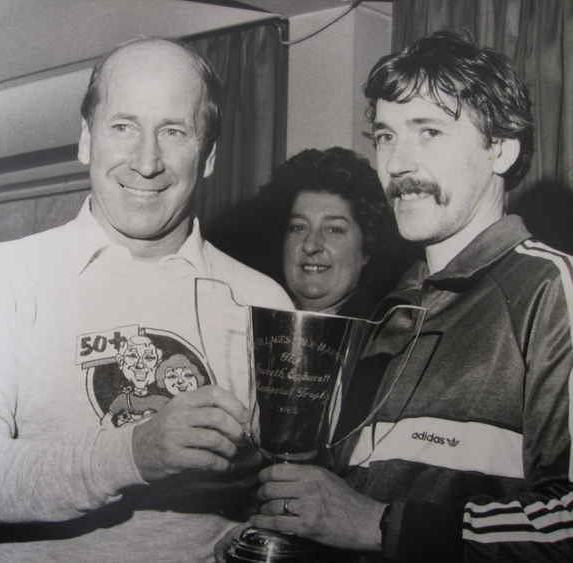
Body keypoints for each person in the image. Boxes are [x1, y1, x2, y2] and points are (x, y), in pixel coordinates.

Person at [0, 37, 292, 563]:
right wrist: (134, 454)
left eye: (174, 131)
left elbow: (282, 489)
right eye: (123, 127)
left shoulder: (263, 301)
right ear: (85, 141)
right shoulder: (3, 278)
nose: (147, 162)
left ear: (208, 156)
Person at [239, 30, 573, 562]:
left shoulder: (552, 290)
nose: (396, 165)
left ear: (501, 149)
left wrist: (377, 524)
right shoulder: (390, 307)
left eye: (429, 132)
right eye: (386, 137)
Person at [273, 147, 405, 317]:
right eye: (298, 227)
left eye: (334, 229)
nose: (311, 245)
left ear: (366, 248)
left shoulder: (390, 332)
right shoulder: (249, 316)